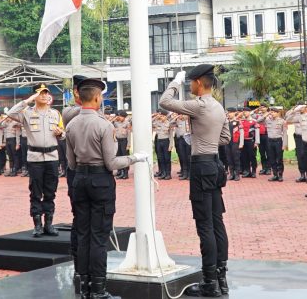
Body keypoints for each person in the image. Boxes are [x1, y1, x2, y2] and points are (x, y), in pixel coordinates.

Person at [66, 77, 142, 299]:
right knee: (99, 236)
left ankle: (85, 287)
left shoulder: (70, 124)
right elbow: (112, 163)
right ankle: (98, 290)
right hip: (100, 181)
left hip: (79, 179)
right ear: (98, 98)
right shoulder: (103, 125)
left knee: (83, 234)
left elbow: (70, 163)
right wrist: (135, 158)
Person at [159, 64, 231, 297]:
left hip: (201, 167)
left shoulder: (199, 105)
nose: (190, 85)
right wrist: (205, 140)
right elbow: (225, 137)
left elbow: (164, 102)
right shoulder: (219, 107)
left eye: (191, 81)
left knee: (205, 225)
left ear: (199, 82)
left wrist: (175, 82)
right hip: (215, 164)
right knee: (216, 221)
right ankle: (221, 277)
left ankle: (209, 282)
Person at [7, 83, 66, 238]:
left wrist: (61, 133)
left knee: (50, 192)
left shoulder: (55, 113)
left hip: (52, 157)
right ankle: (37, 225)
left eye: (47, 93)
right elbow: (11, 113)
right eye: (41, 93)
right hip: (35, 158)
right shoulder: (26, 113)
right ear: (34, 96)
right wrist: (28, 100)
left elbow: (64, 135)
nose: (45, 96)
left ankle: (48, 224)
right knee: (35, 192)